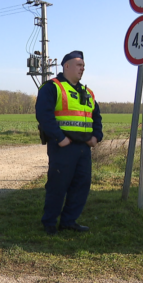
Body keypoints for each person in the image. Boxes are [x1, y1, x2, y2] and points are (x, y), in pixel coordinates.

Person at [35, 51, 103, 235]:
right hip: (63, 147)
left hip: (83, 149)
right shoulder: (52, 87)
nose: (82, 68)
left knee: (82, 185)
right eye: (79, 65)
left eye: (83, 66)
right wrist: (60, 138)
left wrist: (97, 136)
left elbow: (96, 117)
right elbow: (44, 115)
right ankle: (49, 223)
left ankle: (69, 221)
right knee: (58, 185)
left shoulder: (88, 92)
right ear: (66, 66)